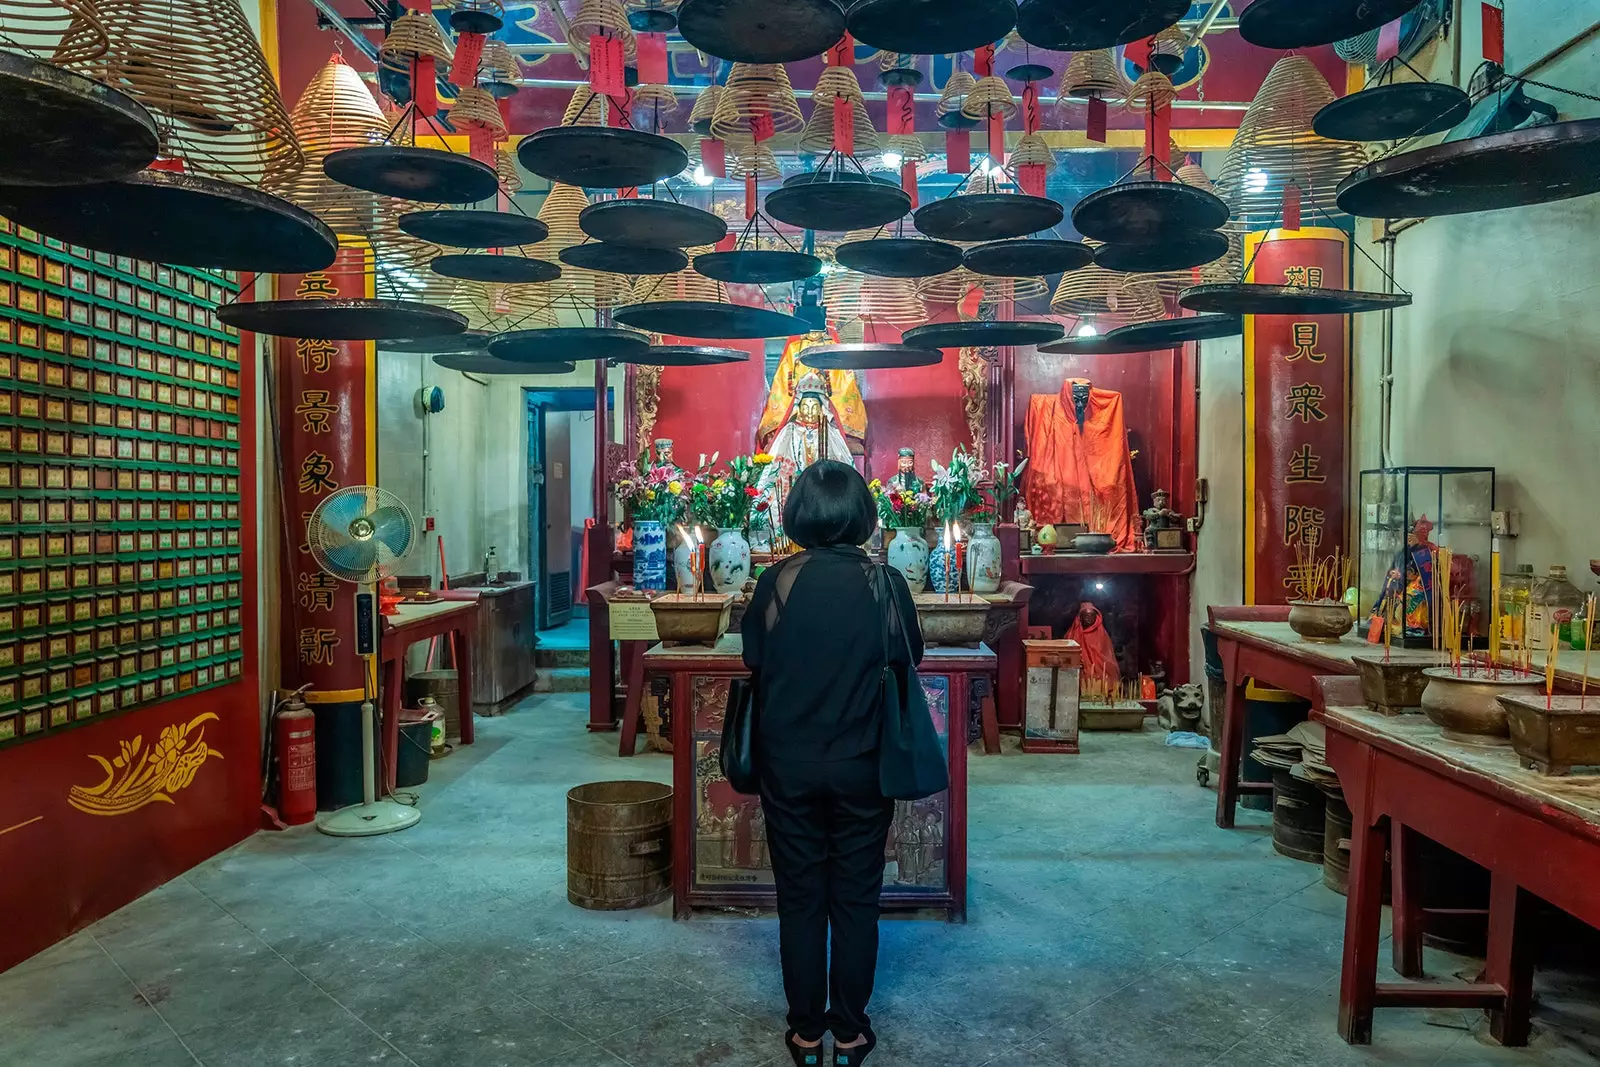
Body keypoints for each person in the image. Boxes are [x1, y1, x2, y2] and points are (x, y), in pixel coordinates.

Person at [742, 459, 924, 1067]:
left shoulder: (775, 584)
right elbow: (908, 657)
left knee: (799, 897)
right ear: (863, 517)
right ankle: (849, 1030)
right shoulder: (886, 583)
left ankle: (803, 1032)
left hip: (787, 763)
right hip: (863, 762)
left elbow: (755, 658)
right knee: (854, 895)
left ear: (797, 514)